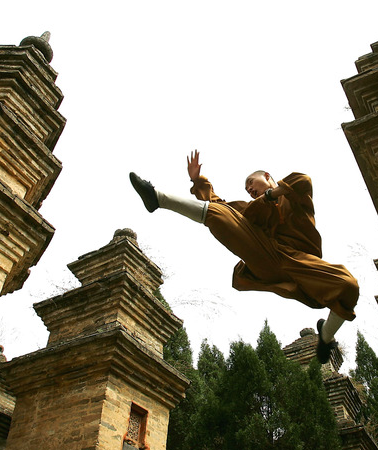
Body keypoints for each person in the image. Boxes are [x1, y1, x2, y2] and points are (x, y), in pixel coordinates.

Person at [129, 150, 359, 364]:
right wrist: (197, 181)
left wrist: (273, 194)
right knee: (221, 214)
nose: (249, 190)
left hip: (303, 265)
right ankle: (157, 198)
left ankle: (326, 338)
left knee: (348, 285)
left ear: (268, 176)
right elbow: (218, 204)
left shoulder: (294, 198)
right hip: (265, 256)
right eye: (247, 189)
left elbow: (304, 180)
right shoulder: (252, 210)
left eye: (251, 183)